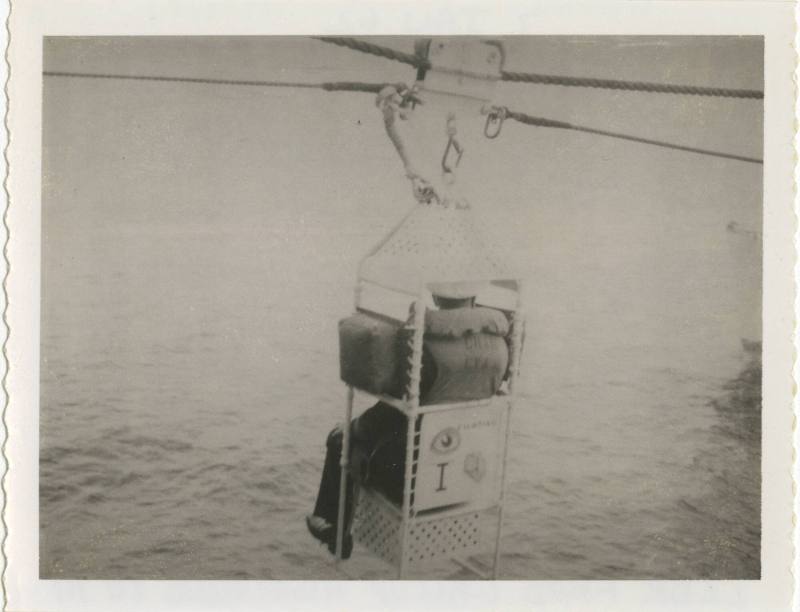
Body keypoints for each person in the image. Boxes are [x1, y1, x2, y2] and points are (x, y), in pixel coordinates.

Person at [306, 291, 511, 559]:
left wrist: (351, 428)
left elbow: (387, 416)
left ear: (438, 298)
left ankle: (336, 532)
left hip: (413, 484)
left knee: (341, 440)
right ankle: (337, 532)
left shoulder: (426, 349)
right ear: (473, 299)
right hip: (470, 479)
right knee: (390, 428)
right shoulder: (500, 349)